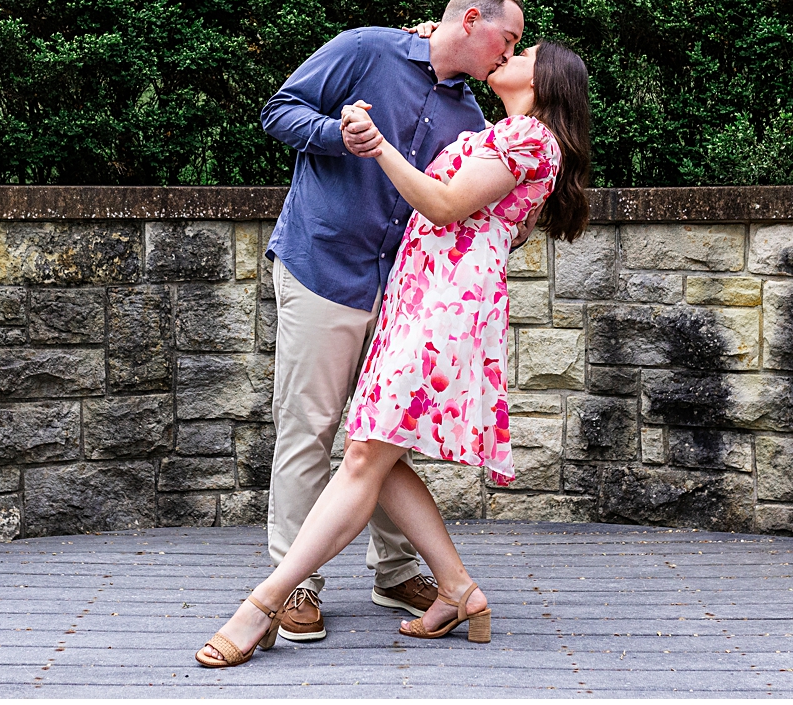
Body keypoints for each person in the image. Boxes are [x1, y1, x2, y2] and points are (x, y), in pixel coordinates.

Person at [197, 39, 593, 667]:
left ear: (545, 81)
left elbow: (443, 205)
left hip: (443, 310)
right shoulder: (507, 129)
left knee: (361, 457)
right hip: (417, 299)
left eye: (523, 52)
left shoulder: (528, 139)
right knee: (371, 448)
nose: (509, 56)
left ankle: (264, 602)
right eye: (510, 42)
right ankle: (459, 589)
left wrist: (378, 144)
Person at [255, 0, 526, 643]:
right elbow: (277, 110)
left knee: (382, 436)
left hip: (404, 294)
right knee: (309, 427)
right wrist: (334, 134)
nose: (509, 52)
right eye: (509, 39)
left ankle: (395, 570)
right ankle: (294, 586)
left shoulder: (475, 121)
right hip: (322, 268)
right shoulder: (366, 49)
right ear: (472, 20)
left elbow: (464, 203)